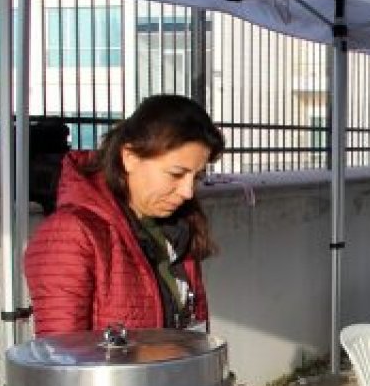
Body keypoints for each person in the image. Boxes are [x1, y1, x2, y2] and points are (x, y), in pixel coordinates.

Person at [25, 95, 225, 335]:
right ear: (129, 157)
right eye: (176, 174)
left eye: (197, 177)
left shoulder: (175, 226)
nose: (187, 191)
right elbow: (61, 359)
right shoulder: (71, 233)